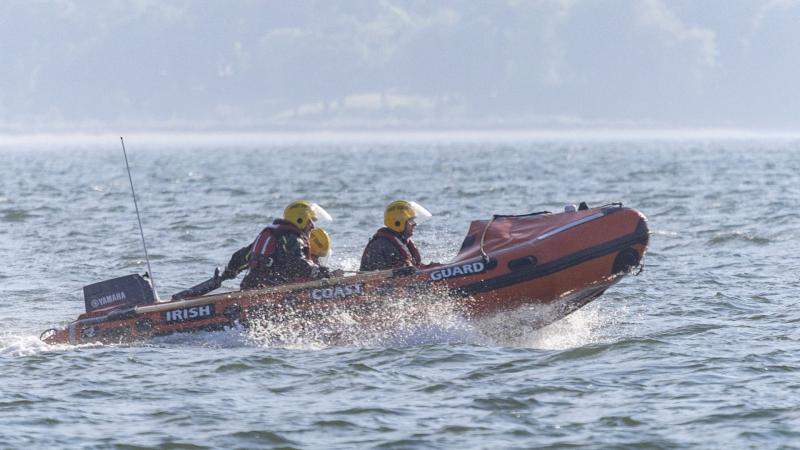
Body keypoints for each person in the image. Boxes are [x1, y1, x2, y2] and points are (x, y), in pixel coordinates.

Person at [221, 200, 333, 289]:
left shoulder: (272, 234)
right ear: (300, 219)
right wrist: (323, 272)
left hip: (250, 286)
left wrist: (228, 273)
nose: (313, 226)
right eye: (311, 221)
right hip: (272, 290)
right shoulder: (292, 238)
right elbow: (298, 265)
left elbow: (239, 258)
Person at [359, 200, 433, 272]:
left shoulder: (401, 241)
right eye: (411, 221)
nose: (414, 224)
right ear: (398, 223)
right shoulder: (383, 245)